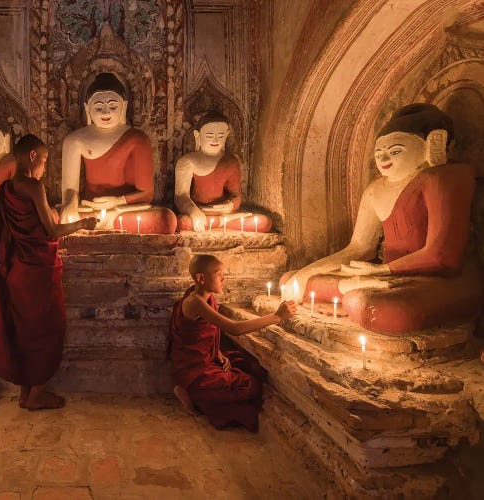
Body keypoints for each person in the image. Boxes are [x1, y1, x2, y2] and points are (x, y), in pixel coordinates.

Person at [281, 103, 481, 335]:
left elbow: (442, 256)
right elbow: (358, 248)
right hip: (384, 279)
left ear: (432, 144)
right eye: (379, 154)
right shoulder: (376, 189)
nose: (384, 159)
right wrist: (306, 274)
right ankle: (353, 290)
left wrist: (380, 272)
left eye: (395, 151)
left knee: (372, 305)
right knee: (290, 281)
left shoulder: (444, 178)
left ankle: (355, 293)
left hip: (441, 282)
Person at [0, 134, 97, 410]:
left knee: (23, 331)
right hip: (36, 273)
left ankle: (25, 392)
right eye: (44, 161)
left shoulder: (5, 189)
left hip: (15, 271)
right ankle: (36, 395)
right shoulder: (33, 186)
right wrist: (83, 223)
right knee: (50, 329)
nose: (44, 167)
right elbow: (52, 230)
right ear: (32, 156)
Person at [169, 254, 295, 431]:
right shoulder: (195, 302)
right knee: (251, 387)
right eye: (218, 274)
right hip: (194, 370)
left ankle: (198, 393)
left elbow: (206, 333)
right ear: (200, 278)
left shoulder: (205, 295)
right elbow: (234, 328)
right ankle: (189, 392)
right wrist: (277, 316)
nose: (223, 278)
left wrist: (217, 353)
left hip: (207, 359)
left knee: (248, 366)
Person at [59, 72, 176, 233]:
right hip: (89, 209)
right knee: (56, 217)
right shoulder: (75, 140)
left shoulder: (137, 138)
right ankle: (103, 223)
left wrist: (116, 201)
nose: (105, 113)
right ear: (87, 108)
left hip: (125, 210)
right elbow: (69, 190)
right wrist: (70, 206)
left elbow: (146, 194)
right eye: (99, 107)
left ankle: (100, 224)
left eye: (113, 106)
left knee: (165, 219)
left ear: (124, 106)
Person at [175, 111, 272, 232]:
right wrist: (194, 212)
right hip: (198, 213)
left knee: (263, 222)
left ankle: (217, 223)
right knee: (183, 223)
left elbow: (236, 195)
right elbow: (180, 196)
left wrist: (229, 205)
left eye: (220, 136)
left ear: (226, 136)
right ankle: (217, 224)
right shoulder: (187, 161)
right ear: (197, 135)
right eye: (209, 136)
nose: (215, 140)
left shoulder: (230, 162)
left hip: (224, 215)